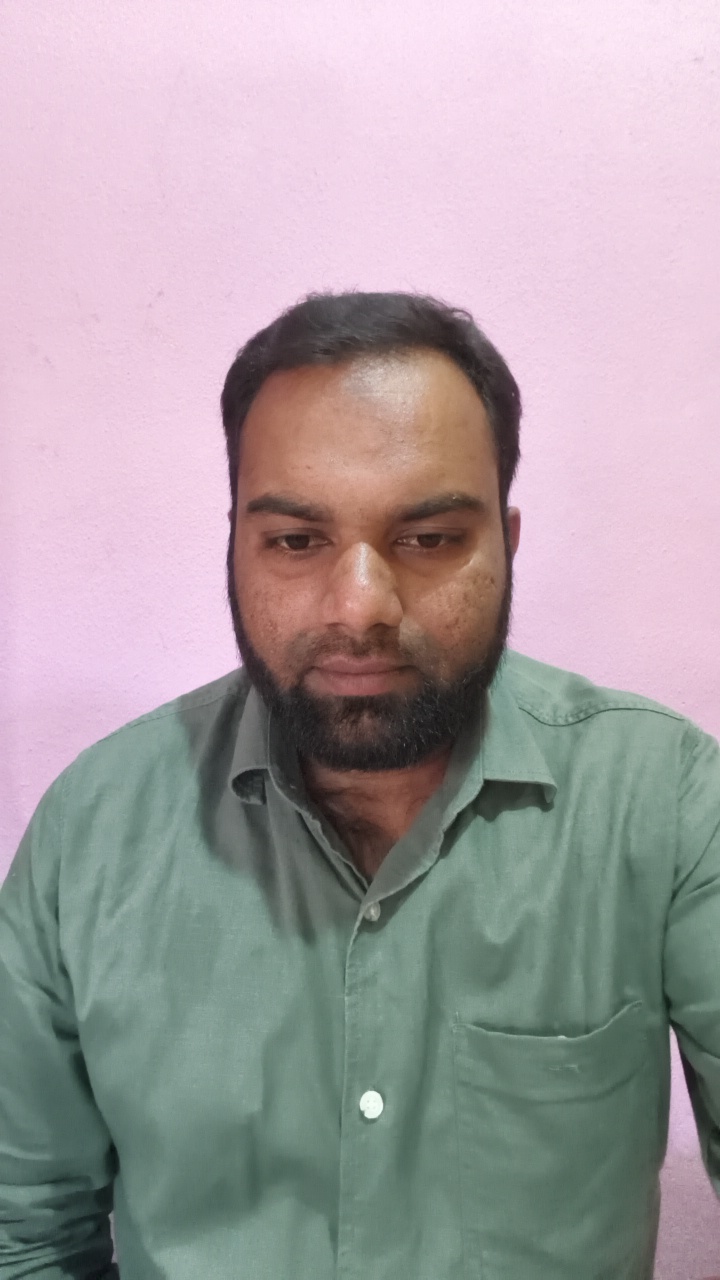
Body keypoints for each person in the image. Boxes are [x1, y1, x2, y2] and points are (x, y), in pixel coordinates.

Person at [0, 291, 718, 1280]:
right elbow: (23, 1234)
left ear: (508, 541)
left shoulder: (665, 801)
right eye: (298, 541)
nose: (360, 606)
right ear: (236, 542)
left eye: (429, 538)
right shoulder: (95, 830)